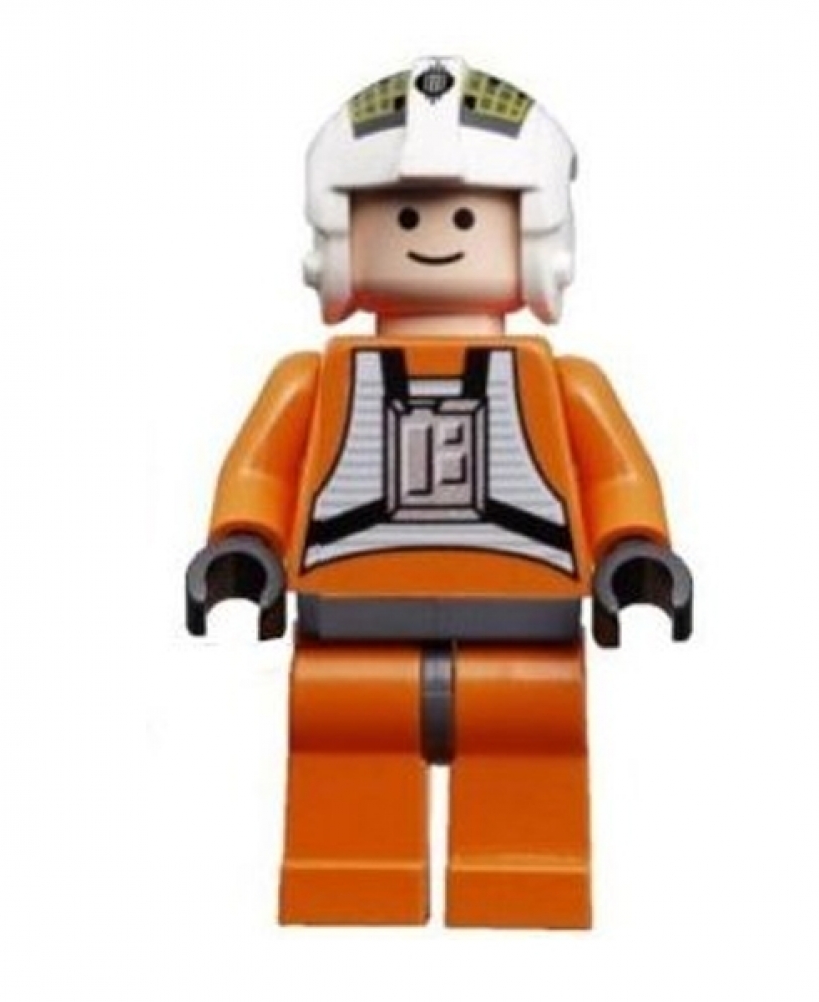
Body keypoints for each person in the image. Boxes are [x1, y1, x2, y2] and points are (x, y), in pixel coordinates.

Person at [186, 56, 693, 928]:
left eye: (465, 216)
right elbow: (261, 470)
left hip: (529, 637)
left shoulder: (562, 382)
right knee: (344, 750)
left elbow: (616, 474)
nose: (433, 235)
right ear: (341, 237)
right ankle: (350, 873)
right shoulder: (314, 379)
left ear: (534, 236)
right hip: (347, 631)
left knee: (528, 751)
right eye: (404, 216)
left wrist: (634, 551)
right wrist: (244, 543)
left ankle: (523, 877)